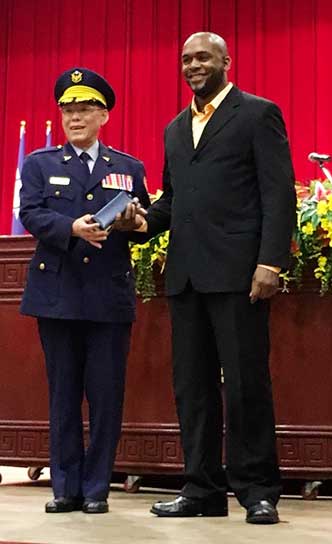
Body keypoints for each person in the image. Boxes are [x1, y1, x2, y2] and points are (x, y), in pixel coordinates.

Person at [118, 32, 296, 523]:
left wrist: (271, 262)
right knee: (191, 389)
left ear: (225, 62)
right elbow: (172, 202)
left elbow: (279, 194)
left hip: (241, 275)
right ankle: (201, 489)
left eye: (203, 57)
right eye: (186, 59)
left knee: (246, 384)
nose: (193, 65)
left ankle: (258, 489)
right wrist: (140, 223)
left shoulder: (259, 114)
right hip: (187, 278)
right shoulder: (175, 128)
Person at [19, 67, 150, 514]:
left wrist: (134, 223)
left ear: (104, 115)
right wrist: (71, 228)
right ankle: (66, 487)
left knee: (107, 396)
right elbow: (31, 213)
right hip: (58, 292)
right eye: (68, 110)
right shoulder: (40, 163)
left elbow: (144, 223)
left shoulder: (129, 167)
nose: (75, 118)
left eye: (85, 110)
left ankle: (96, 489)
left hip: (108, 296)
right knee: (63, 395)